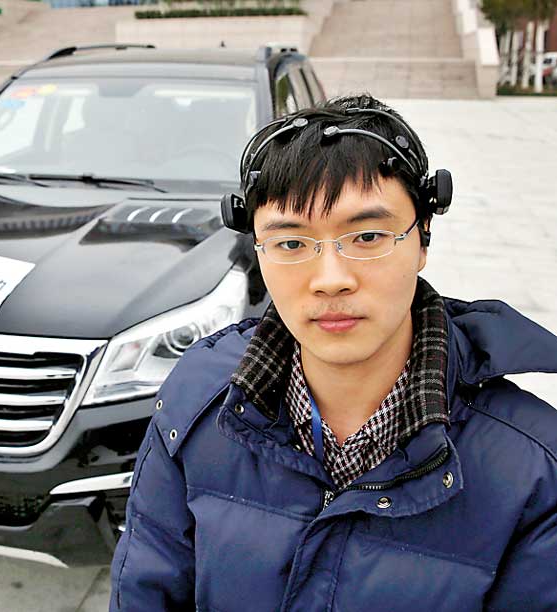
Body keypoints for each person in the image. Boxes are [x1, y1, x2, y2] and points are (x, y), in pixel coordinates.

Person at [109, 94, 557, 611]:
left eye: (367, 236)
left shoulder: (533, 470)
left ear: (424, 237)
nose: (330, 280)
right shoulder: (196, 403)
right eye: (292, 244)